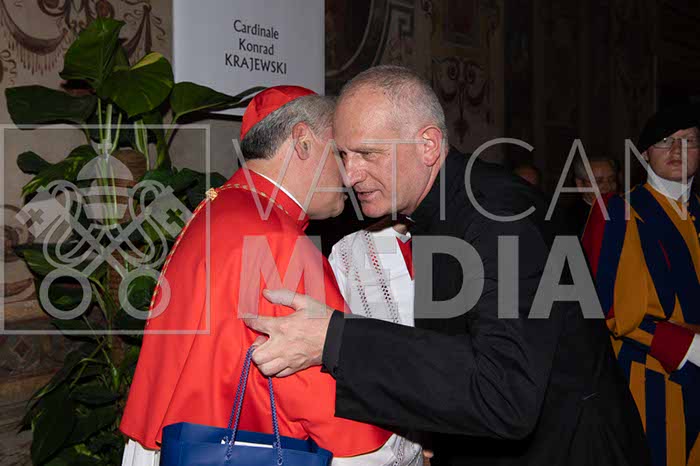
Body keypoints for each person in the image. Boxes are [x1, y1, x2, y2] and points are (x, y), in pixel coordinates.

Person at [244, 66, 649, 466]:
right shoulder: (437, 208)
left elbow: (504, 393)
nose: (350, 176)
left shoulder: (499, 215)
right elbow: (458, 354)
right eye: (343, 155)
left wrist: (336, 340)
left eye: (367, 154)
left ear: (428, 145)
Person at [119, 86, 422, 466]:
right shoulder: (277, 238)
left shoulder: (216, 210)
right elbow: (333, 406)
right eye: (340, 153)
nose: (349, 174)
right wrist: (409, 441)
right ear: (303, 141)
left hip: (183, 444)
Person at [583, 103, 700, 466]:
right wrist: (689, 346)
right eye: (665, 141)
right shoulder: (618, 212)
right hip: (650, 383)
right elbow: (607, 309)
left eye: (689, 140)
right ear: (645, 153)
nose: (678, 150)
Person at [564, 157, 619, 237]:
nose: (607, 187)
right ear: (580, 184)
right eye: (598, 181)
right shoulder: (569, 221)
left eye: (612, 179)